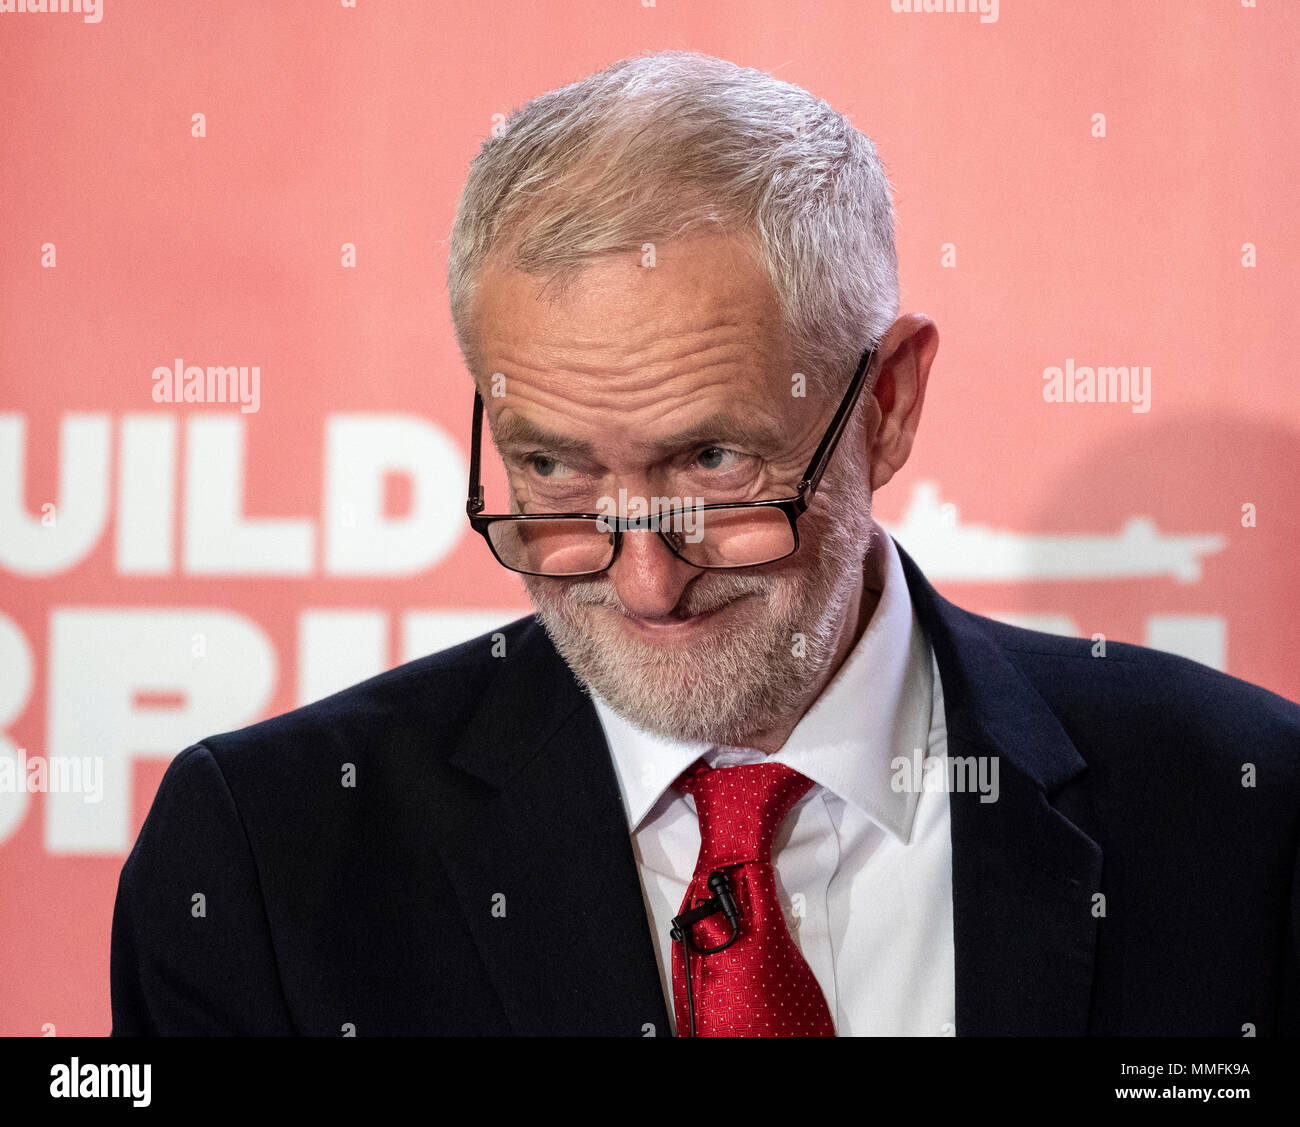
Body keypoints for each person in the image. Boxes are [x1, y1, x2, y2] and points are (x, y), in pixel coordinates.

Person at [111, 50, 1300, 1037]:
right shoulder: (273, 849)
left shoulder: (1246, 807)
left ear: (886, 402)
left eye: (712, 464)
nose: (644, 578)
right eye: (553, 469)